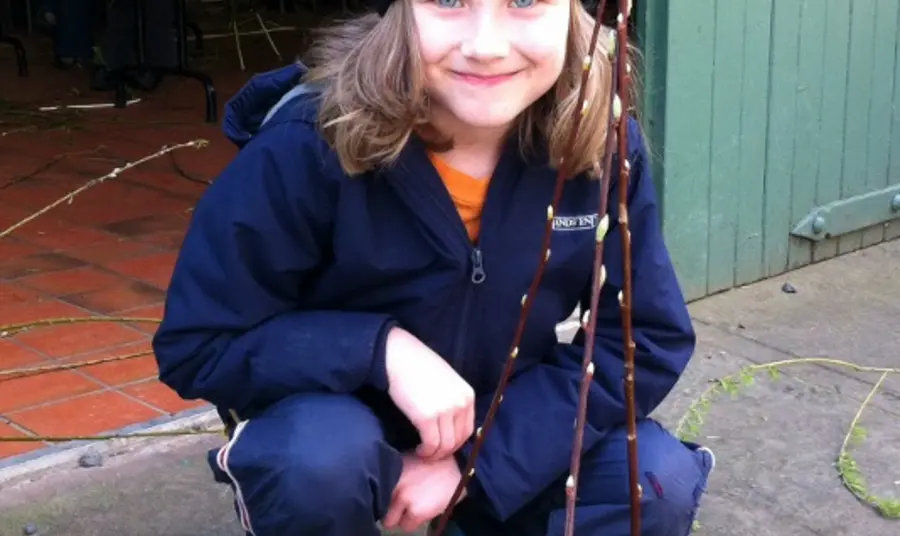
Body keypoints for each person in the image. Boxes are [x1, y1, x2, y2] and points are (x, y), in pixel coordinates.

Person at [151, 1, 715, 535]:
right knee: (315, 461)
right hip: (333, 410)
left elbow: (645, 333)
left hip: (501, 413)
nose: (486, 45)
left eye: (524, 1)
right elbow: (199, 343)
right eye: (448, 1)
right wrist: (378, 351)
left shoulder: (599, 142)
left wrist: (478, 462)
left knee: (650, 481)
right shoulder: (306, 143)